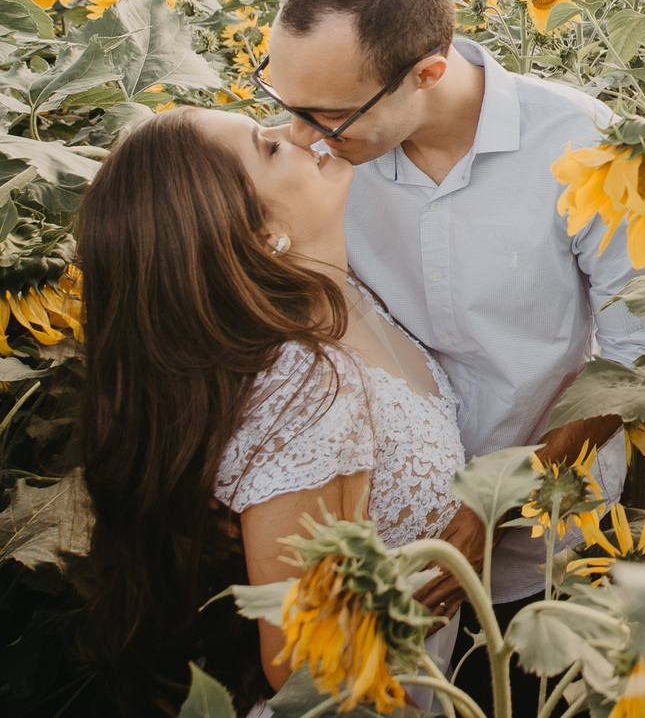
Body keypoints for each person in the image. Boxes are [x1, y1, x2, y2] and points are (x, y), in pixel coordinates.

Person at [255, 0, 645, 712]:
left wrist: (489, 507)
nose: (304, 138)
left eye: (328, 116)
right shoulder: (324, 158)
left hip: (550, 540)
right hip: (390, 551)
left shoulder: (580, 144)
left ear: (427, 73)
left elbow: (639, 362)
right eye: (287, 106)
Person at [75, 106, 465, 716]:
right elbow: (308, 674)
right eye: (269, 146)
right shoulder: (304, 388)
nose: (300, 131)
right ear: (258, 235)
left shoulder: (338, 295)